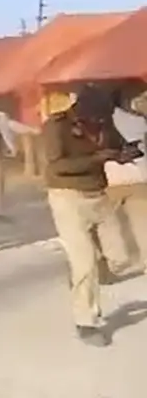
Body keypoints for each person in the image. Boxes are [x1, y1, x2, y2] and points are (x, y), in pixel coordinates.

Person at [44, 85, 145, 347]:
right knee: (84, 263)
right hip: (67, 198)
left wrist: (125, 153)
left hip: (99, 195)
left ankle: (86, 276)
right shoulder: (57, 126)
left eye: (104, 117)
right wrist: (98, 158)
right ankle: (86, 322)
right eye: (98, 116)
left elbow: (114, 145)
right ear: (82, 110)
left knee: (123, 257)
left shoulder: (103, 118)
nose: (102, 121)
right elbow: (57, 165)